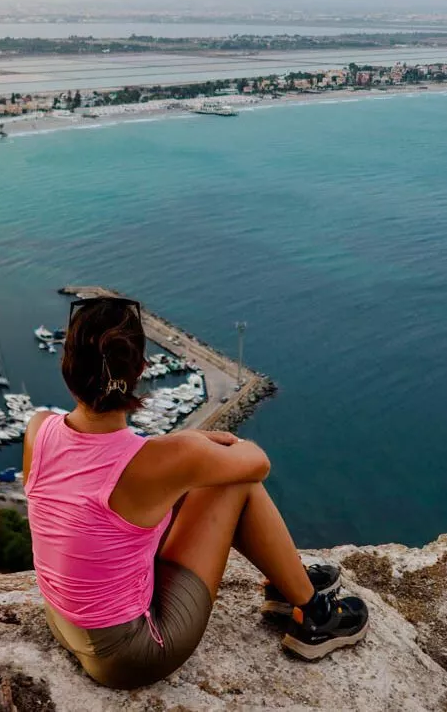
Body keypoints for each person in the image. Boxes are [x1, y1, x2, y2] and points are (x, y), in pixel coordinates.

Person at [24, 296, 368, 690]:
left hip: (63, 619)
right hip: (129, 656)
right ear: (140, 370)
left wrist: (185, 449)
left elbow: (92, 481)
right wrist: (198, 449)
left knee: (194, 486)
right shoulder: (165, 459)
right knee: (235, 482)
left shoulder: (40, 429)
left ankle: (287, 584)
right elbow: (257, 463)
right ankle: (315, 616)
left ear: (67, 366)